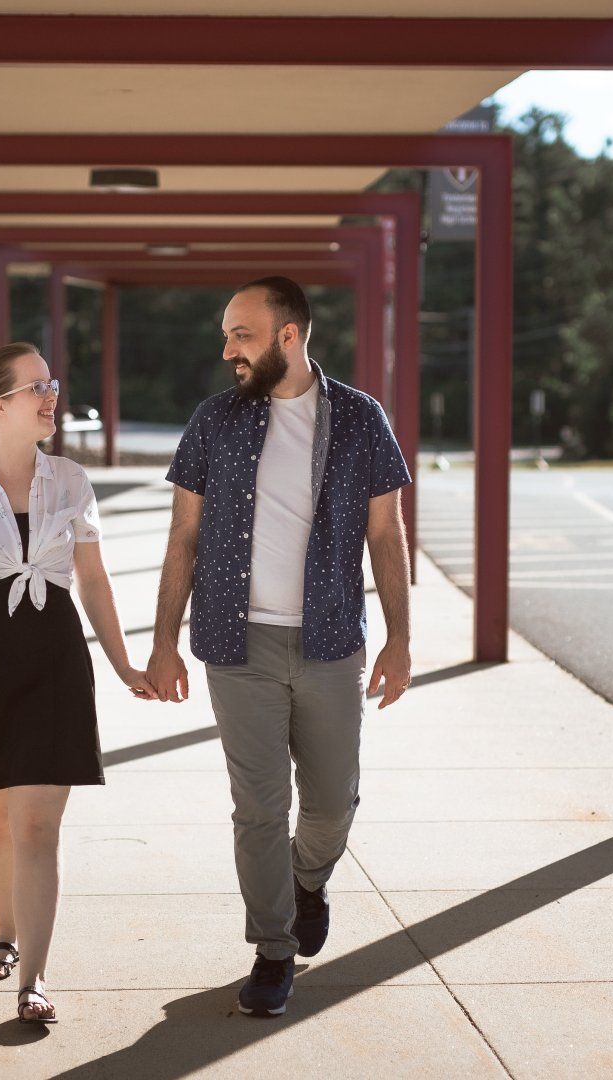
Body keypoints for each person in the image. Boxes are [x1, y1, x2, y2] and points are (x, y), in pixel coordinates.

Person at [146, 276, 413, 1018]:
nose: (227, 347)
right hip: (237, 643)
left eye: (242, 334)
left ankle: (308, 879)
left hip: (330, 640)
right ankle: (272, 950)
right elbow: (184, 538)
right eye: (228, 333)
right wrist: (163, 641)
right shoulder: (213, 422)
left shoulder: (361, 420)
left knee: (330, 802)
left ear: (288, 337)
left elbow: (385, 537)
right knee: (258, 807)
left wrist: (400, 638)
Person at [0, 342, 156, 1024]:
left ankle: (35, 981)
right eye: (36, 386)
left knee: (38, 826)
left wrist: (123, 664)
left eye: (51, 383)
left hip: (53, 665)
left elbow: (95, 582)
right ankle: (5, 936)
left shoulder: (72, 481)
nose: (51, 394)